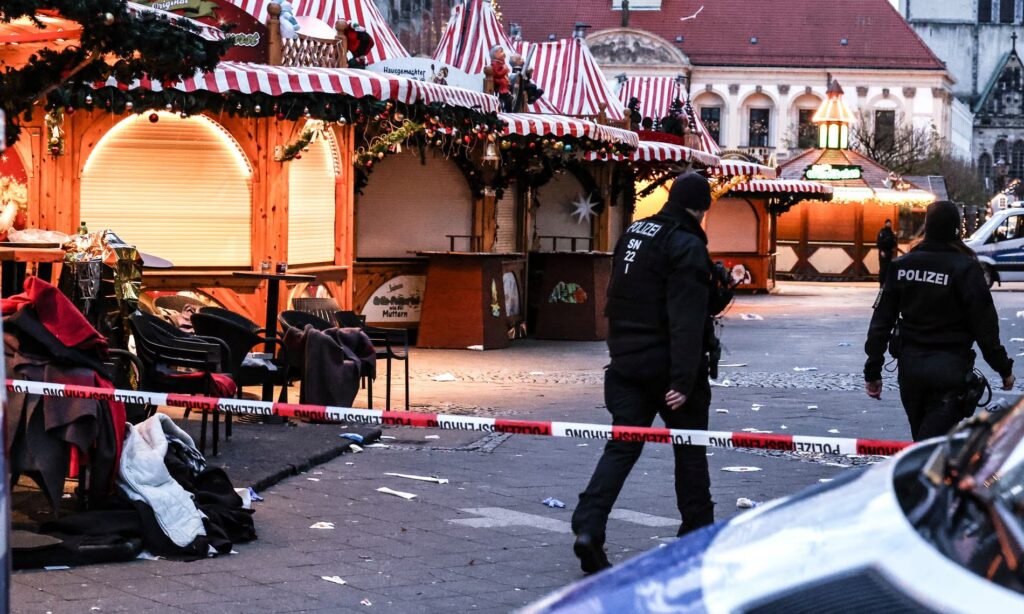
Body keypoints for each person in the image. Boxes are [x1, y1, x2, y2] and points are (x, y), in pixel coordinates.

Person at [571, 172, 729, 574]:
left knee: (622, 446)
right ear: (701, 208)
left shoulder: (635, 231)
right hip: (668, 367)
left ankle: (588, 528)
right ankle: (696, 538)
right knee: (690, 451)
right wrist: (682, 379)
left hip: (626, 363)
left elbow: (624, 295)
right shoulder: (687, 244)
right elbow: (686, 318)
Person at [864, 200, 1015, 441]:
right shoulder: (966, 268)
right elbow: (986, 328)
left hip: (911, 369)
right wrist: (1003, 369)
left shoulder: (901, 266)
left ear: (927, 226)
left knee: (923, 441)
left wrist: (873, 370)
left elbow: (881, 321)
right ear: (956, 229)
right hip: (950, 370)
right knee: (930, 447)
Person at [876, 219, 898, 286]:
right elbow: (879, 242)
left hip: (889, 252)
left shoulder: (892, 233)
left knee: (889, 267)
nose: (889, 224)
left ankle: (887, 282)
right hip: (883, 252)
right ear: (885, 224)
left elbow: (894, 243)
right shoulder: (882, 232)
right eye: (888, 223)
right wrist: (881, 250)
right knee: (883, 268)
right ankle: (881, 282)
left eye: (890, 223)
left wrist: (895, 236)